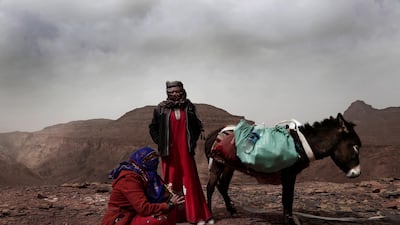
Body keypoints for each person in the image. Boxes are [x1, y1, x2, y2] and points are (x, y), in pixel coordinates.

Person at [149, 81, 213, 225]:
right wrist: (161, 141)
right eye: (171, 92)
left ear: (182, 91)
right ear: (167, 93)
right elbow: (153, 127)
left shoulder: (189, 106)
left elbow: (196, 125)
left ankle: (195, 215)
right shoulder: (160, 108)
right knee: (170, 180)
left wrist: (191, 142)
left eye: (177, 91)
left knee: (189, 180)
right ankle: (172, 216)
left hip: (185, 150)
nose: (175, 94)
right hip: (169, 151)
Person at [101, 146, 185, 225]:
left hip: (135, 213)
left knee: (170, 213)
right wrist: (169, 204)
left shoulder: (147, 175)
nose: (154, 161)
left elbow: (157, 196)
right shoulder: (129, 179)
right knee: (159, 218)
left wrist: (169, 196)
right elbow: (144, 208)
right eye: (150, 158)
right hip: (124, 218)